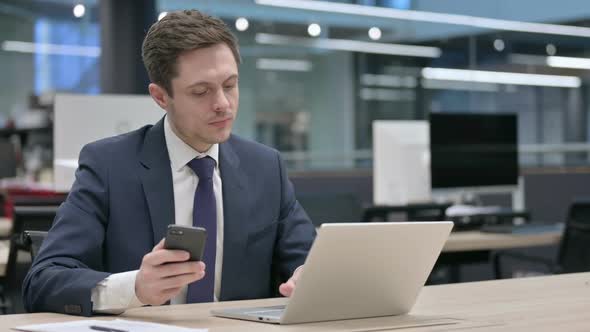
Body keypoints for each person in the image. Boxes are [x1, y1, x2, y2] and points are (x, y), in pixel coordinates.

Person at [23, 9, 316, 316]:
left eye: (230, 85)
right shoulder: (109, 166)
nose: (223, 104)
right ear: (161, 97)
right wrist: (134, 287)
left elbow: (310, 261)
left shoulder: (265, 168)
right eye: (201, 91)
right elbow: (43, 281)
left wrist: (306, 278)